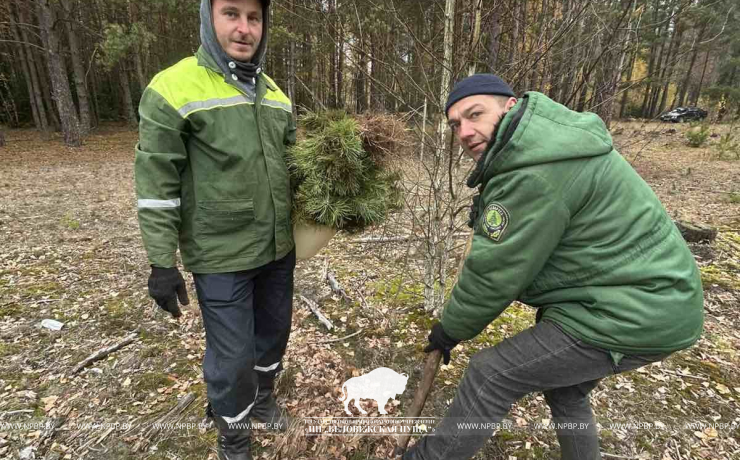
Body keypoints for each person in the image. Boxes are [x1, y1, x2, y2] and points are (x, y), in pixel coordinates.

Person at [407, 74, 704, 460]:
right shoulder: (542, 150)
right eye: (455, 124)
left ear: (510, 106)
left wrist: (450, 330)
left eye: (474, 114)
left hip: (632, 309)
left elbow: (495, 273)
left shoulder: (533, 172)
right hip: (652, 299)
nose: (464, 131)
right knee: (565, 390)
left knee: (490, 374)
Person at [134, 0, 295, 458]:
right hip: (221, 254)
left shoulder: (276, 95)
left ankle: (262, 402)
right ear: (208, 17)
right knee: (232, 358)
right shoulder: (173, 87)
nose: (245, 29)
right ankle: (233, 434)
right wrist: (161, 262)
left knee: (273, 335)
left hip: (278, 248)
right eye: (231, 14)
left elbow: (292, 169)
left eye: (255, 18)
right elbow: (157, 184)